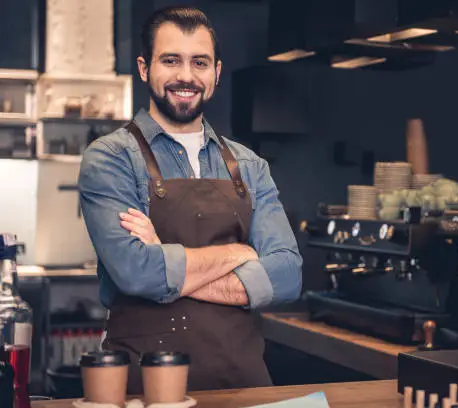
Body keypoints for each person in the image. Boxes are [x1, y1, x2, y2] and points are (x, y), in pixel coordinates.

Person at [78, 6, 302, 393]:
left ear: (216, 73)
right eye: (171, 60)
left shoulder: (250, 166)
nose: (186, 76)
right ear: (145, 68)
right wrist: (241, 253)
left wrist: (164, 259)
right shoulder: (111, 158)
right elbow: (135, 272)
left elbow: (287, 276)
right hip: (145, 389)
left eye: (199, 62)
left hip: (243, 386)